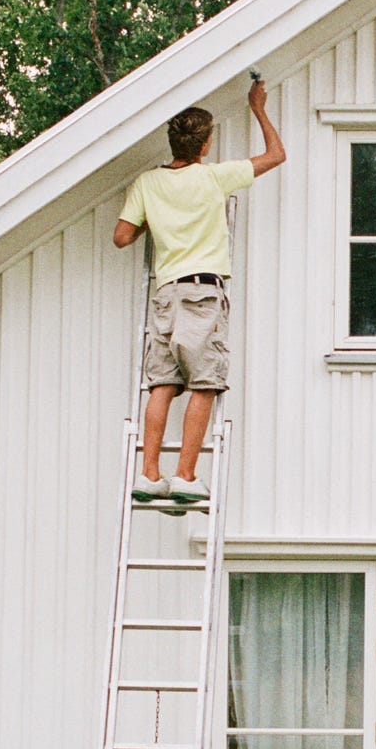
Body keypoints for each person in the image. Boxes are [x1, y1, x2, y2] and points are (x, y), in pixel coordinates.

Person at [113, 78, 286, 506]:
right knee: (206, 382)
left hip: (167, 293)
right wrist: (258, 108)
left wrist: (155, 218)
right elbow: (276, 156)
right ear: (205, 145)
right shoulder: (214, 177)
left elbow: (121, 237)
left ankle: (150, 474)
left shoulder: (147, 184)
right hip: (202, 293)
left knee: (164, 383)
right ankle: (185, 475)